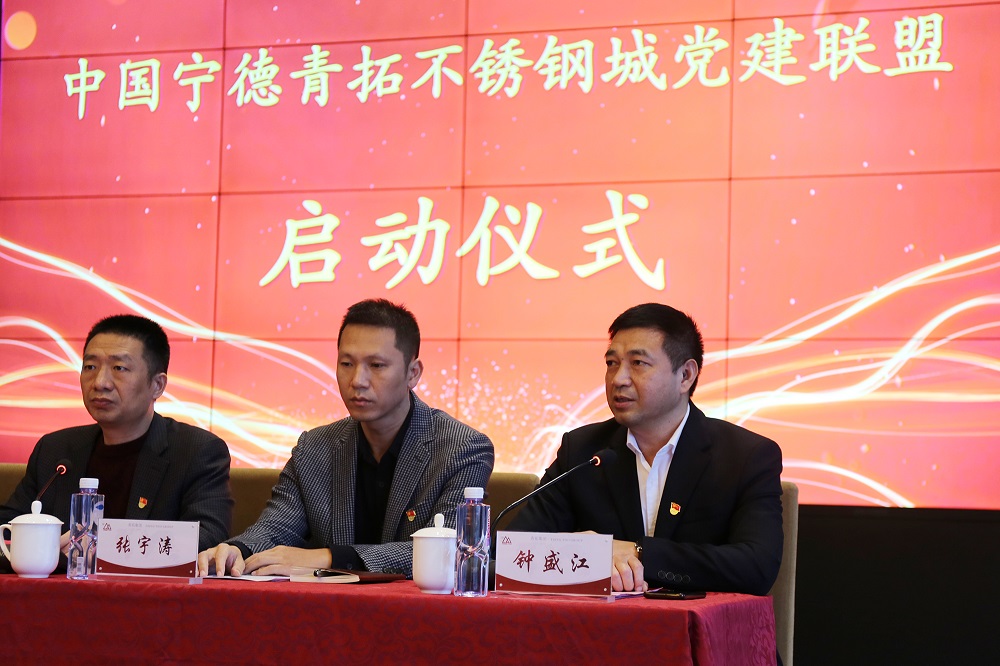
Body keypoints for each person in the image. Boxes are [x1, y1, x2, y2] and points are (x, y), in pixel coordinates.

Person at [198, 299, 494, 578]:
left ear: (413, 373)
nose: (357, 381)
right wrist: (238, 549)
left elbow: (453, 550)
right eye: (347, 364)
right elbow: (276, 527)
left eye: (376, 366)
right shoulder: (314, 448)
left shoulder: (462, 448)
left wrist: (329, 558)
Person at [509, 303, 783, 596]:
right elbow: (511, 552)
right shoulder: (582, 451)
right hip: (600, 623)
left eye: (638, 363)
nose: (618, 379)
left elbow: (756, 566)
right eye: (611, 363)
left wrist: (639, 553)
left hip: (698, 624)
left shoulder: (745, 456)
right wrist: (587, 551)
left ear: (685, 376)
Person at [0, 315, 233, 571]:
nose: (100, 382)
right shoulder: (56, 449)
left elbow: (206, 539)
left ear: (157, 385)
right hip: (57, 594)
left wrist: (96, 548)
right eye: (90, 367)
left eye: (119, 368)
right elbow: (6, 529)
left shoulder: (195, 450)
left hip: (146, 594)